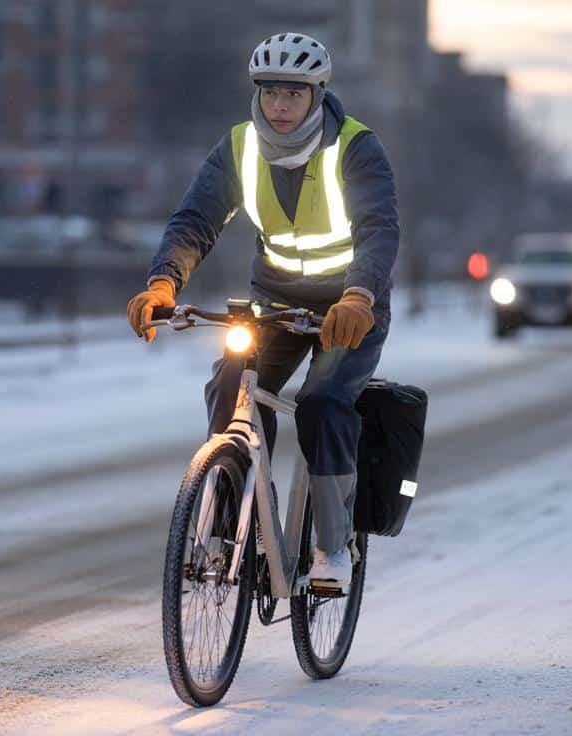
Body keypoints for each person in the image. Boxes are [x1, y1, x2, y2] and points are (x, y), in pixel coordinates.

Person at [127, 32, 399, 591]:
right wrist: (162, 282)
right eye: (270, 92)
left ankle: (331, 545)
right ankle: (240, 521)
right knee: (231, 383)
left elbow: (378, 229)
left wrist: (359, 295)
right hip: (275, 301)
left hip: (348, 308)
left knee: (322, 402)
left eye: (293, 94)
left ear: (317, 93)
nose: (279, 106)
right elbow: (195, 219)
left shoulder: (355, 147)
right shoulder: (239, 146)